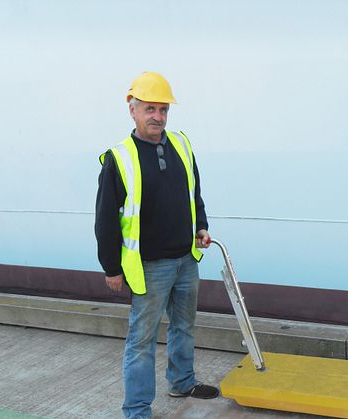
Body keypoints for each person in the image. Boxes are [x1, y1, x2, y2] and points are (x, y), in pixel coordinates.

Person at [95, 71, 219, 419]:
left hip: (185, 260)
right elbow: (105, 218)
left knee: (184, 326)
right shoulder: (118, 158)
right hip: (149, 266)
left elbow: (193, 193)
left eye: (163, 109)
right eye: (149, 108)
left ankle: (181, 381)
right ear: (132, 110)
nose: (158, 117)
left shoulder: (180, 144)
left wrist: (202, 227)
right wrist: (111, 268)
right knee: (142, 341)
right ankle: (136, 410)